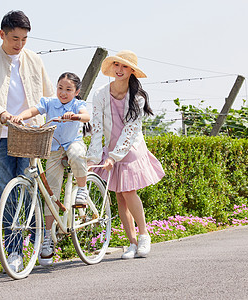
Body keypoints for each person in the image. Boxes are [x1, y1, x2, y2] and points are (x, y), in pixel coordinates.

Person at [0, 10, 54, 272]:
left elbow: (48, 95)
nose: (19, 44)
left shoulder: (34, 60)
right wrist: (3, 113)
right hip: (1, 135)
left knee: (29, 191)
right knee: (7, 195)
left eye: (24, 39)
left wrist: (54, 121)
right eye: (14, 38)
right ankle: (14, 251)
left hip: (30, 135)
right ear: (2, 34)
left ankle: (40, 241)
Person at [87, 50, 165, 259]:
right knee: (119, 196)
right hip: (111, 148)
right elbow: (95, 127)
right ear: (112, 68)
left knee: (129, 192)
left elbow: (130, 131)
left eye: (124, 66)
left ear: (131, 71)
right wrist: (93, 159)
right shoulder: (100, 94)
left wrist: (115, 156)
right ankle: (131, 242)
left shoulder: (137, 98)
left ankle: (144, 235)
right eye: (116, 65)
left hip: (130, 149)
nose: (119, 70)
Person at [12, 72, 91, 266]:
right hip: (53, 148)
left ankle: (82, 189)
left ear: (77, 91)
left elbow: (87, 116)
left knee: (77, 154)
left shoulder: (77, 104)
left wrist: (75, 116)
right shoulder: (49, 102)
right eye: (60, 88)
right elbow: (34, 110)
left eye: (68, 89)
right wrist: (20, 117)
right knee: (50, 192)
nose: (63, 93)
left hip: (73, 143)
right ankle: (47, 237)